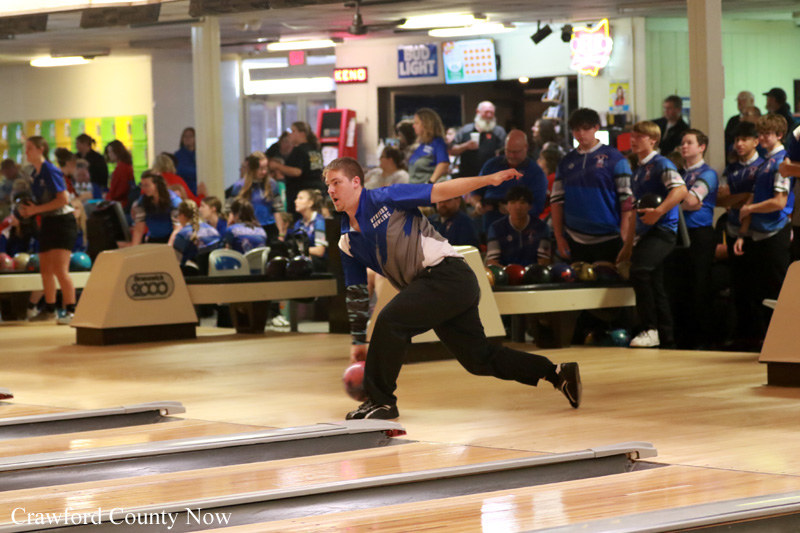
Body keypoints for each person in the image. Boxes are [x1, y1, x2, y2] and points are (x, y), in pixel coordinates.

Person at [325, 156, 581, 420]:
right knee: (479, 359)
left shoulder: (386, 198)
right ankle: (557, 373)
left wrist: (488, 180)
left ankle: (382, 402)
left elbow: (441, 190)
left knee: (390, 320)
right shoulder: (347, 241)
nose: (331, 190)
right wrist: (358, 339)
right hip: (437, 288)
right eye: (328, 185)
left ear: (356, 182)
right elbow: (356, 291)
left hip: (449, 276)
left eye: (336, 182)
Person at [620, 121, 688, 349]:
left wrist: (659, 211)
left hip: (663, 230)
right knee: (655, 282)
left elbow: (681, 190)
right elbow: (634, 210)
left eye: (640, 136)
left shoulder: (662, 164)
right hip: (646, 233)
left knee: (639, 271)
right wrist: (628, 245)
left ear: (653, 140)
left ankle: (649, 328)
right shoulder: (637, 171)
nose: (634, 140)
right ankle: (666, 336)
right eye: (633, 136)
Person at [551, 108, 633, 264]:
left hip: (609, 237)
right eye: (576, 130)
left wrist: (625, 236)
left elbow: (627, 200)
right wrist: (559, 237)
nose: (581, 134)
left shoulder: (615, 158)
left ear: (596, 128)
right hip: (574, 237)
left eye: (586, 128)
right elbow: (556, 201)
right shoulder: (565, 161)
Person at [733, 114, 791, 338]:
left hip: (775, 231)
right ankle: (765, 338)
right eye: (761, 133)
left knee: (777, 292)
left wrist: (750, 209)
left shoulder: (783, 162)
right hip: (758, 234)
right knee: (760, 292)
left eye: (768, 134)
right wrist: (742, 233)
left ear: (779, 135)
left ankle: (782, 339)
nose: (763, 137)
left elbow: (779, 202)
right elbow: (753, 198)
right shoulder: (766, 163)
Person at [18, 136, 78, 325]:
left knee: (60, 269)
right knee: (45, 270)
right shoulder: (35, 175)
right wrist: (27, 209)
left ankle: (71, 311)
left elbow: (63, 199)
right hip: (48, 222)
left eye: (30, 148)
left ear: (40, 149)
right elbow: (41, 203)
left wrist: (35, 209)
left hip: (63, 222)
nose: (26, 152)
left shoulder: (50, 170)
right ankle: (50, 310)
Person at [671, 129, 718, 349]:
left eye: (689, 142)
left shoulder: (708, 173)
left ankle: (702, 339)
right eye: (683, 142)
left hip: (700, 234)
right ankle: (683, 336)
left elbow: (691, 201)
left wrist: (675, 201)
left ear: (701, 147)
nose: (684, 146)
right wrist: (684, 201)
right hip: (679, 233)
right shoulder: (679, 174)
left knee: (699, 286)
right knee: (680, 286)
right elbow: (688, 201)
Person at [717, 121, 763, 346]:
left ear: (756, 141)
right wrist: (742, 199)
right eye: (736, 140)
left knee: (758, 286)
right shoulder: (731, 169)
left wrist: (741, 200)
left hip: (758, 233)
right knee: (738, 286)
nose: (739, 144)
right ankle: (742, 335)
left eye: (744, 139)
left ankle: (761, 334)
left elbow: (753, 200)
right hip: (734, 230)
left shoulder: (763, 167)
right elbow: (721, 200)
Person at [475, 130, 549, 234]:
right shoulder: (491, 164)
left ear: (526, 148)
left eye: (515, 152)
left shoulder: (536, 173)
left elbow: (537, 206)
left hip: (520, 229)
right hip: (489, 224)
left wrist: (513, 210)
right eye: (507, 151)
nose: (511, 155)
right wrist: (478, 204)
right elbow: (476, 191)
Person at [268, 122, 324, 216]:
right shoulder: (315, 149)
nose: (290, 134)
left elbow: (297, 171)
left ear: (302, 133)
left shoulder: (299, 150)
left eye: (293, 131)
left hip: (302, 192)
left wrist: (277, 166)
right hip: (317, 191)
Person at [485, 187, 550, 267]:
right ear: (507, 206)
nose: (517, 207)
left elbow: (543, 261)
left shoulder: (541, 227)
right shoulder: (495, 228)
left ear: (530, 206)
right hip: (505, 272)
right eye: (513, 202)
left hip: (533, 272)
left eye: (522, 202)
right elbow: (492, 262)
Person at [233, 152, 283, 241]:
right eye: (260, 169)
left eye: (266, 168)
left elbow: (277, 210)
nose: (264, 172)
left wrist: (281, 233)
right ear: (252, 168)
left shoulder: (272, 184)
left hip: (269, 227)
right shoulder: (240, 186)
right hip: (248, 228)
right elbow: (232, 211)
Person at [449, 101, 506, 179]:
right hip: (467, 176)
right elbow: (451, 150)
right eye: (486, 112)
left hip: (491, 176)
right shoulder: (465, 130)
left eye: (491, 113)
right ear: (478, 112)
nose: (489, 115)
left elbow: (505, 153)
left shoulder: (499, 131)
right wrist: (465, 146)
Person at [131, 171, 182, 245]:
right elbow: (139, 229)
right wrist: (134, 248)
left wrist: (169, 246)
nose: (143, 188)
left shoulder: (173, 201)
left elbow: (177, 228)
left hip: (171, 239)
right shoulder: (142, 201)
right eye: (142, 185)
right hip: (153, 239)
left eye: (147, 185)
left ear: (157, 185)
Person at [288, 189, 328, 272]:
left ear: (310, 203)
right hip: (303, 258)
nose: (296, 201)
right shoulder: (298, 224)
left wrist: (299, 250)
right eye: (296, 198)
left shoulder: (319, 222)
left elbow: (320, 251)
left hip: (319, 262)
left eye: (300, 198)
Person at [407, 108, 450, 185]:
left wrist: (430, 183)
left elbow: (443, 164)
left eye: (416, 123)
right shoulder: (421, 145)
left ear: (426, 124)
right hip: (415, 187)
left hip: (428, 189)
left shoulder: (437, 142)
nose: (413, 126)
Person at [172, 199, 221, 265]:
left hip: (190, 270)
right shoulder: (214, 231)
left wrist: (174, 233)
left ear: (182, 215)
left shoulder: (182, 235)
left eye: (178, 215)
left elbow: (176, 262)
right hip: (214, 269)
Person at [75, 133, 109, 199]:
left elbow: (104, 175)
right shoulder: (75, 157)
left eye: (77, 143)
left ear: (85, 144)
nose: (76, 146)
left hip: (95, 188)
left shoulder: (98, 158)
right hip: (78, 188)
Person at [105, 140, 133, 210]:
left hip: (120, 204)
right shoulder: (125, 166)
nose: (109, 154)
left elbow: (119, 190)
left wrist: (107, 197)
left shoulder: (121, 168)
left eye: (111, 151)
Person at [536, 148, 563, 221]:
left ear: (548, 161)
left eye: (541, 159)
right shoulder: (550, 177)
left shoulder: (551, 179)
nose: (537, 161)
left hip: (547, 216)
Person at [174, 127, 198, 195]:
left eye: (190, 136)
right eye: (185, 136)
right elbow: (180, 171)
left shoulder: (199, 154)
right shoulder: (178, 155)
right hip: (184, 188)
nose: (187, 138)